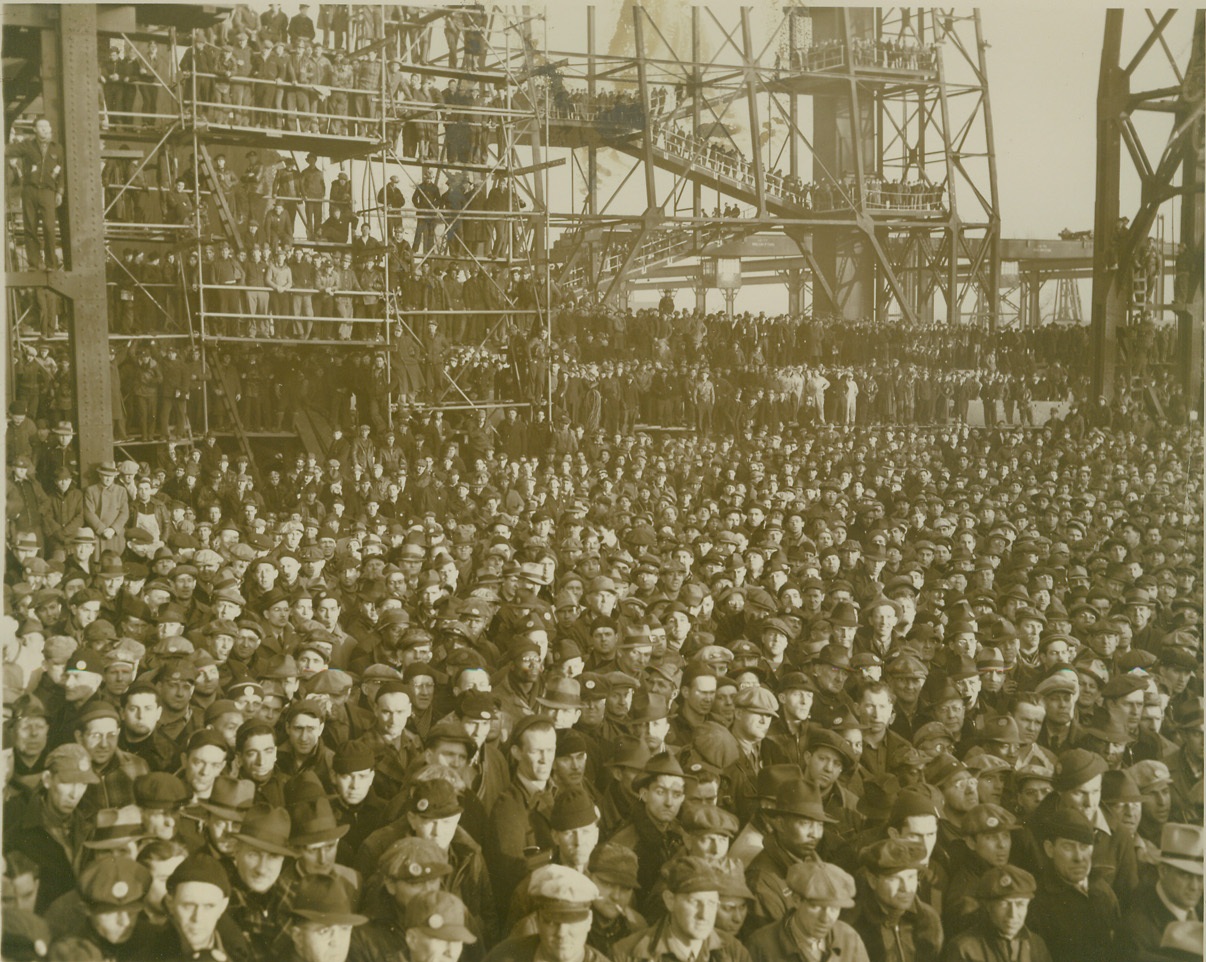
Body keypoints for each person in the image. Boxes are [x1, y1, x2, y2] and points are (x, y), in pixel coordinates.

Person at [7, 116, 65, 269]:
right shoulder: (27, 145)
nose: (45, 129)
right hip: (30, 190)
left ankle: (51, 262)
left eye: (47, 126)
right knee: (30, 226)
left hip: (48, 191)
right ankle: (34, 262)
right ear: (35, 129)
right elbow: (7, 150)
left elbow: (62, 172)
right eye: (41, 126)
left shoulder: (57, 148)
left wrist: (60, 192)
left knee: (49, 227)